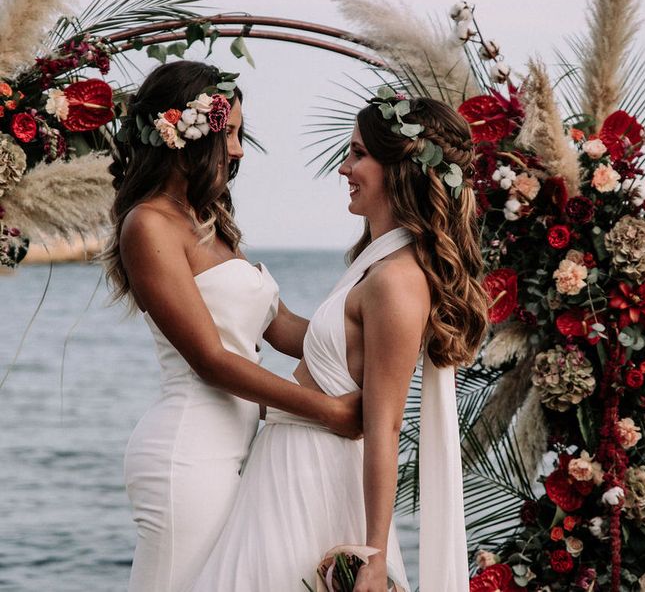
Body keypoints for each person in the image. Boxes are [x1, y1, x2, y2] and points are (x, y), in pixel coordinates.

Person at [191, 90, 487, 591]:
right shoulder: (375, 263)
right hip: (287, 465)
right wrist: (227, 281)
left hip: (314, 474)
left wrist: (373, 551)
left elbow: (385, 426)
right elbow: (305, 340)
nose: (344, 168)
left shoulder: (397, 279)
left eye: (358, 154)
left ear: (401, 167)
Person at [103, 61, 361, 592]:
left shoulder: (210, 222)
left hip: (236, 448)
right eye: (232, 134)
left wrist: (379, 334)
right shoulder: (147, 225)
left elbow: (282, 326)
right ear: (187, 135)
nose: (240, 151)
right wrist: (331, 411)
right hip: (187, 453)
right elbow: (212, 361)